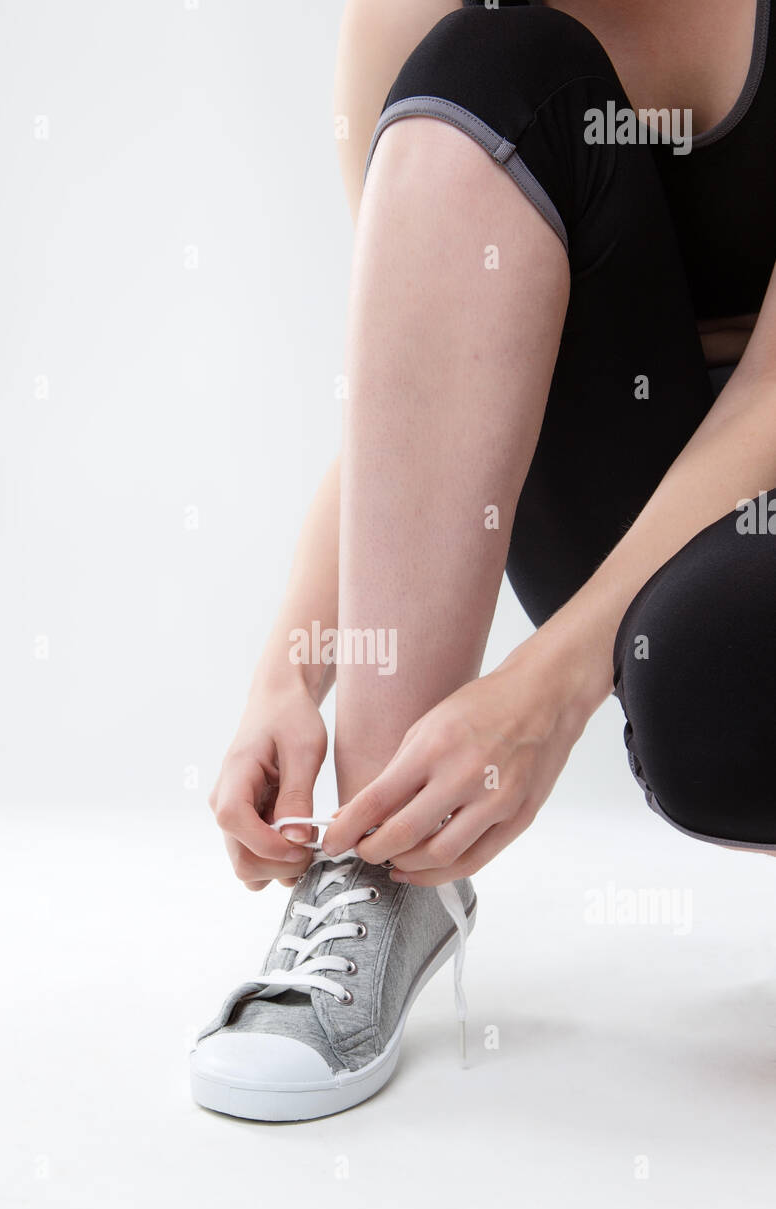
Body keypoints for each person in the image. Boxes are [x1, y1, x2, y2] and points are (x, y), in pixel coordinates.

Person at [191, 0, 776, 1121]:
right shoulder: (402, 19)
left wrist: (544, 690)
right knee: (482, 66)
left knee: (717, 684)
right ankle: (380, 868)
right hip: (651, 522)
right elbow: (416, 388)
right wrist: (293, 667)